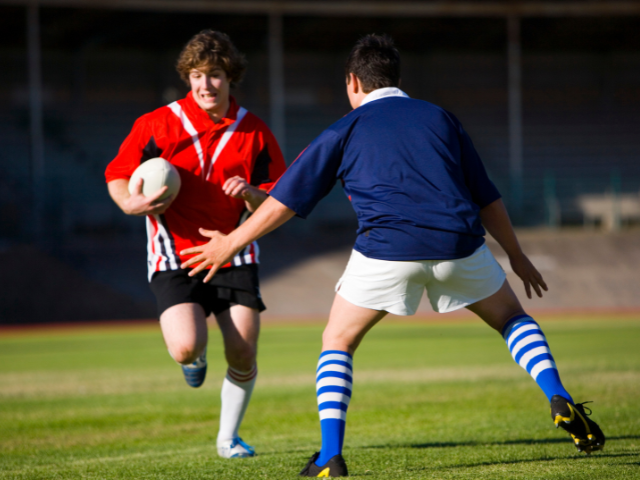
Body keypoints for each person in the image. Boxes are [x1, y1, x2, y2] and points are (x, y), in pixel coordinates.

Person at [180, 34, 605, 476]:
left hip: (387, 251)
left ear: (352, 82)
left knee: (338, 341)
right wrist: (516, 255)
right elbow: (487, 197)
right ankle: (558, 394)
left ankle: (329, 457)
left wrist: (231, 242)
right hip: (459, 244)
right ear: (398, 79)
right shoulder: (440, 118)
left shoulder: (343, 129)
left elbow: (283, 201)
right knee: (512, 319)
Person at [105, 30, 286, 459]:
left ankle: (229, 439)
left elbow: (280, 199)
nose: (206, 85)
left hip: (234, 251)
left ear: (231, 78)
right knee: (187, 345)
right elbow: (118, 174)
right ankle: (193, 360)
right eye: (197, 75)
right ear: (187, 78)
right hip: (174, 255)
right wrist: (130, 203)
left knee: (242, 351)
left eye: (216, 75)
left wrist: (251, 193)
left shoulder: (255, 132)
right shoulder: (155, 124)